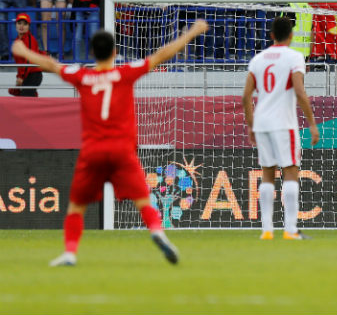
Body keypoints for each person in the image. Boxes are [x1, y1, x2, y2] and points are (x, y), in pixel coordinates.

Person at [11, 20, 210, 266]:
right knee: (143, 202)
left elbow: (52, 64)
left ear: (92, 52)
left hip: (93, 151)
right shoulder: (124, 73)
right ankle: (157, 232)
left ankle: (70, 252)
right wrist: (191, 32)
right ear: (115, 52)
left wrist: (24, 52)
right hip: (122, 151)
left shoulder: (82, 76)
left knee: (76, 206)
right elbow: (161, 55)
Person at [242, 17, 320, 240]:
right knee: (290, 171)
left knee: (267, 174)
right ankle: (291, 230)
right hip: (283, 123)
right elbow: (299, 91)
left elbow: (246, 97)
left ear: (271, 35)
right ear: (292, 35)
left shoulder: (258, 59)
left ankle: (267, 230)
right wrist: (312, 125)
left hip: (262, 123)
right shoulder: (294, 57)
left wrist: (251, 126)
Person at [8, 12, 42, 97]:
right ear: (15, 25)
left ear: (29, 27)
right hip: (27, 74)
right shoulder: (17, 40)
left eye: (25, 24)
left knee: (25, 99)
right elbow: (20, 64)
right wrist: (19, 77)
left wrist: (21, 77)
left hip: (33, 74)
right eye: (19, 23)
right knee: (28, 99)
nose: (21, 26)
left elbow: (29, 60)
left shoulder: (30, 39)